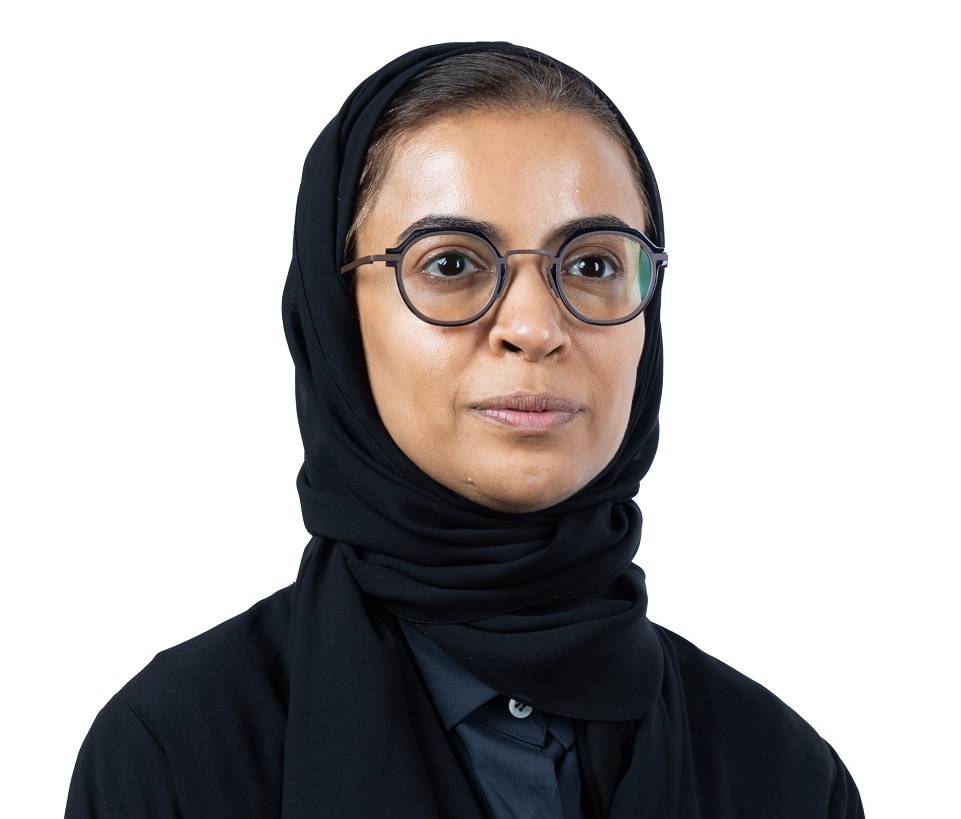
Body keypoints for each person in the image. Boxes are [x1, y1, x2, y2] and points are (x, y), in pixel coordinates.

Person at [65, 41, 864, 818]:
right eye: (450, 262)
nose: (534, 327)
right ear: (336, 319)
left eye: (592, 264)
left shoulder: (786, 778)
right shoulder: (176, 756)